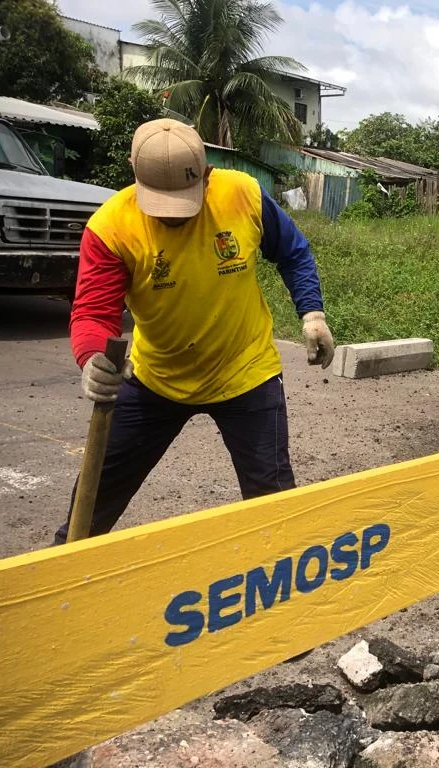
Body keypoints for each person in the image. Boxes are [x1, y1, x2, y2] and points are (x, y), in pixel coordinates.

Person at [54, 118, 334, 544]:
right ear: (135, 174)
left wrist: (312, 314)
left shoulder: (242, 193)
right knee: (92, 504)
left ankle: (286, 592)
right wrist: (92, 356)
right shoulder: (111, 228)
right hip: (155, 379)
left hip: (246, 373)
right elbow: (94, 311)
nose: (171, 217)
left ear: (207, 174)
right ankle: (62, 578)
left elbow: (293, 252)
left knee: (273, 506)